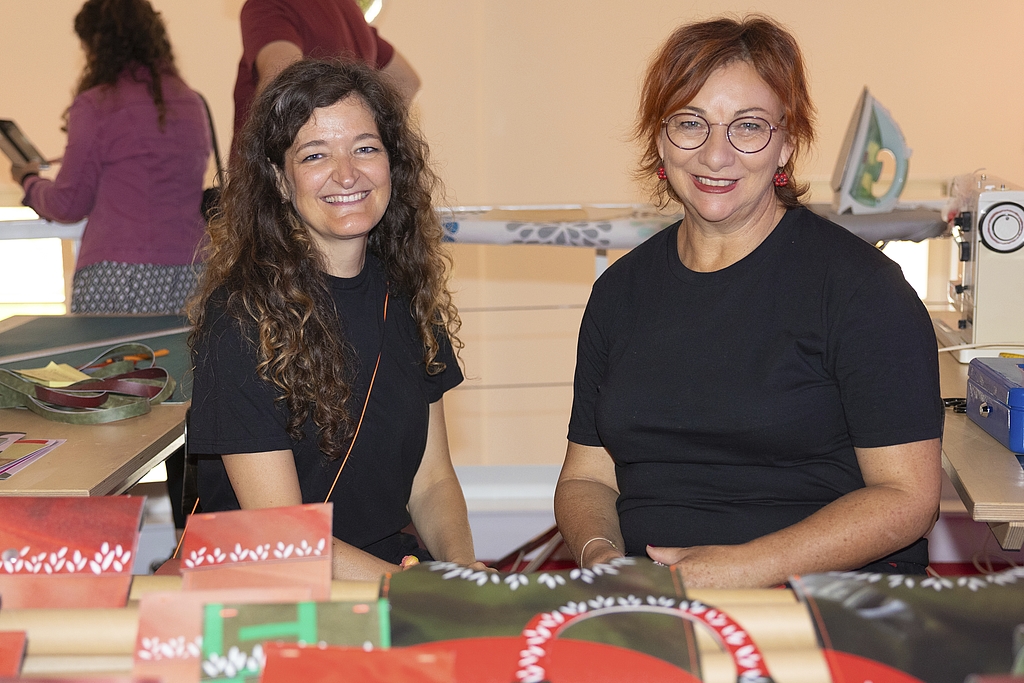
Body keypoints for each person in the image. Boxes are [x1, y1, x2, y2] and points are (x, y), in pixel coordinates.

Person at [554, 15, 943, 589]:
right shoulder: (619, 292)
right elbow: (587, 478)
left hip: (824, 598)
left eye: (749, 126)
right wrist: (600, 555)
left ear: (786, 144)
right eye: (690, 124)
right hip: (649, 597)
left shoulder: (863, 290)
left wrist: (740, 570)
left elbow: (909, 497)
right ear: (660, 139)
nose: (716, 155)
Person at [188, 58, 484, 580]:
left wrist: (461, 573)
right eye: (315, 155)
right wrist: (417, 589)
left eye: (365, 148)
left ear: (392, 162)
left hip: (383, 574)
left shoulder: (410, 296)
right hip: (269, 588)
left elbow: (431, 480)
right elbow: (282, 535)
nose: (346, 174)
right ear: (280, 180)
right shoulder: (240, 317)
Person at [9, 0, 210, 314]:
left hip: (121, 275)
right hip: (193, 270)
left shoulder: (96, 104)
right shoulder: (192, 102)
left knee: (111, 362)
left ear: (99, 45)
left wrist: (29, 181)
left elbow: (68, 203)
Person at [231, 0, 420, 152]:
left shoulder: (267, 4)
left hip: (285, 191)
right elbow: (406, 80)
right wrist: (361, 144)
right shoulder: (348, 9)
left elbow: (282, 90)